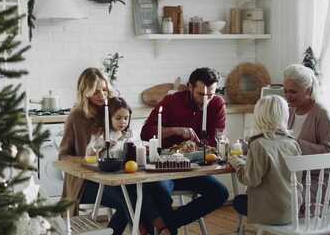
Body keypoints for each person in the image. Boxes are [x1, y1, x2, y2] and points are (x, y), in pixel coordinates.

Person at [59, 68, 170, 235]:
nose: (102, 95)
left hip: (116, 176)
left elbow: (124, 144)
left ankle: (151, 227)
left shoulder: (115, 111)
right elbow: (63, 156)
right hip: (86, 183)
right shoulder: (76, 116)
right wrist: (88, 159)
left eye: (104, 89)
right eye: (96, 91)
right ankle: (155, 227)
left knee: (143, 191)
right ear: (85, 92)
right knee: (130, 197)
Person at [140, 67, 229, 233]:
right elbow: (145, 132)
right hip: (166, 167)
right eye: (201, 94)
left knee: (220, 193)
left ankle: (163, 225)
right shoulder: (171, 101)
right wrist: (174, 130)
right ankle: (164, 227)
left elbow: (216, 140)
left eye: (210, 94)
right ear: (190, 87)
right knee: (159, 190)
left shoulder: (217, 104)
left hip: (195, 168)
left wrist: (203, 145)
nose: (206, 100)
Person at [89, 97, 172, 234]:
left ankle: (146, 226)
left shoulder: (128, 135)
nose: (123, 122)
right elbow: (90, 155)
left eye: (126, 118)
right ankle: (152, 225)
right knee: (131, 196)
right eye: (118, 118)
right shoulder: (102, 135)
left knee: (145, 191)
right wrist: (103, 146)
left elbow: (132, 156)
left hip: (127, 177)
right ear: (109, 118)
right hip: (106, 182)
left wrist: (142, 150)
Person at [229, 95, 302, 225]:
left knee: (238, 202)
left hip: (271, 213)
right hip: (292, 211)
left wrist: (236, 162)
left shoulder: (259, 144)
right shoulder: (293, 143)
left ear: (258, 117)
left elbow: (250, 180)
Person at [283, 64, 330, 205]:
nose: (287, 96)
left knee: (279, 196)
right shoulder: (290, 111)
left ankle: (277, 222)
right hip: (294, 176)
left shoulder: (322, 114)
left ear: (308, 90)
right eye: (285, 91)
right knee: (267, 190)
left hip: (316, 180)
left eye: (293, 92)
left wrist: (296, 143)